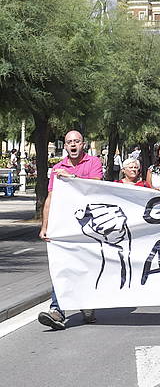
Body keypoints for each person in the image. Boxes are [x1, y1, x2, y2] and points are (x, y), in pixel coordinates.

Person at [38, 130, 104, 330]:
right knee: (63, 266)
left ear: (83, 144)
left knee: (87, 266)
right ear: (65, 146)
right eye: (69, 142)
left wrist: (72, 177)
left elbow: (97, 186)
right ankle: (57, 310)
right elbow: (51, 198)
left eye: (76, 141)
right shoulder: (58, 168)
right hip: (65, 226)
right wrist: (45, 226)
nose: (73, 145)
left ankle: (87, 304)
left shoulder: (93, 163)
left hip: (90, 226)